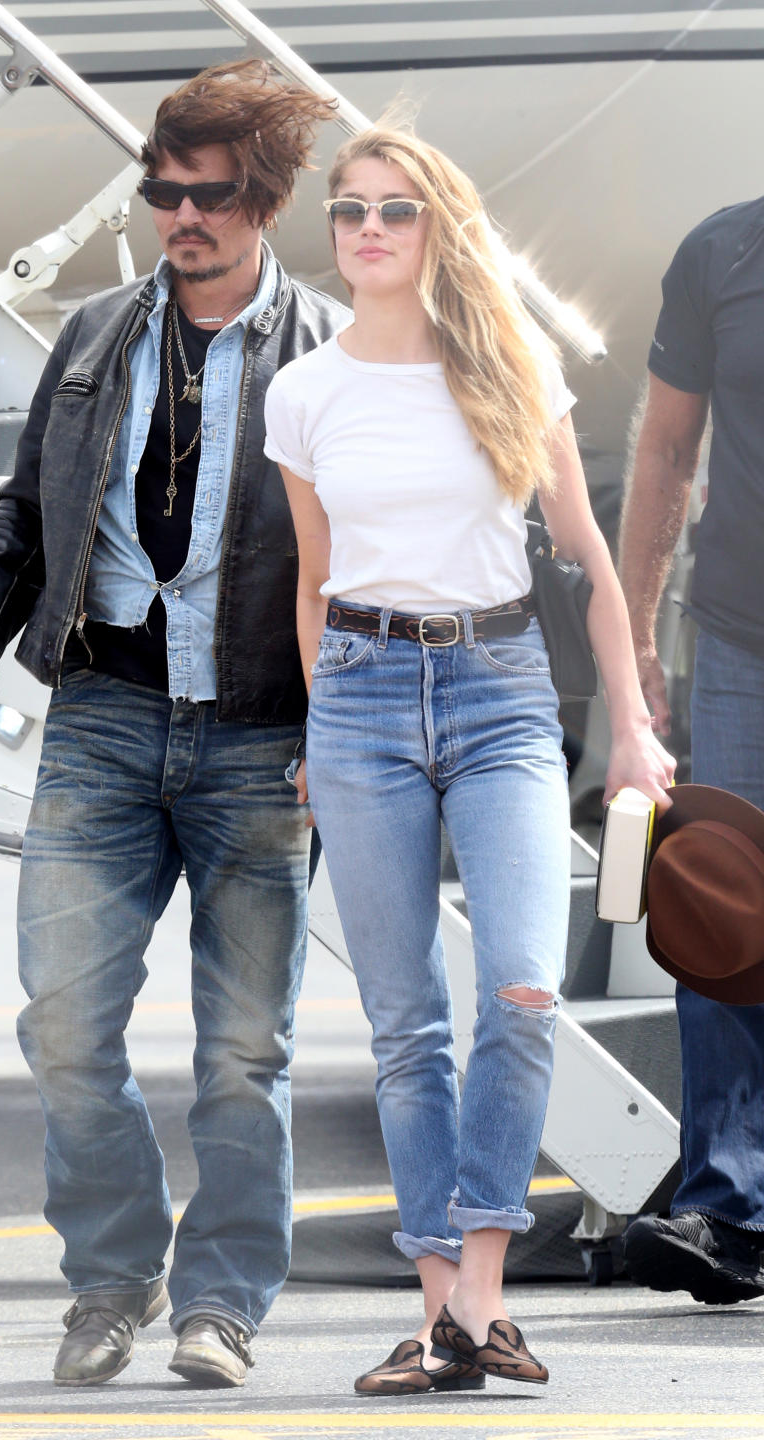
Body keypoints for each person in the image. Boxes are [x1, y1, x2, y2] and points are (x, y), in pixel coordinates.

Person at [0, 60, 348, 1388]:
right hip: (100, 715)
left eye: (208, 197)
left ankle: (222, 1302)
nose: (181, 218)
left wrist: (358, 726)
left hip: (264, 733)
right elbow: (24, 517)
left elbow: (365, 552)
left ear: (260, 201)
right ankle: (111, 1279)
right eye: (164, 192)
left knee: (245, 1051)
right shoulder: (96, 333)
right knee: (62, 1026)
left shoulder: (328, 350)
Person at [264, 124, 675, 1395]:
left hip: (499, 695)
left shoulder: (510, 368)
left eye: (395, 211)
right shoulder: (306, 391)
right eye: (349, 214)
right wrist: (312, 729)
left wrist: (634, 724)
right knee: (404, 1030)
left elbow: (592, 566)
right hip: (362, 699)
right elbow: (316, 583)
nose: (369, 233)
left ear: (440, 227)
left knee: (521, 992)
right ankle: (446, 1308)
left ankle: (479, 1294)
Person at [619, 196, 764, 1305]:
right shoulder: (721, 248)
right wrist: (633, 635)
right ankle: (727, 1209)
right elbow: (666, 446)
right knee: (721, 921)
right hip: (741, 646)